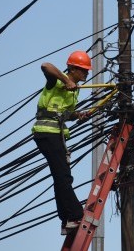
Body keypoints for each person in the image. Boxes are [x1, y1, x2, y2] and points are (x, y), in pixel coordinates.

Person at [31, 50, 91, 235]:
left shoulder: (74, 92)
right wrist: (66, 81)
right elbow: (45, 65)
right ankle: (74, 215)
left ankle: (66, 220)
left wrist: (78, 115)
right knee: (64, 177)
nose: (86, 75)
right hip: (47, 133)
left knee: (60, 177)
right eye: (83, 71)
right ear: (72, 69)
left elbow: (63, 114)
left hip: (55, 135)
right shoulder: (56, 80)